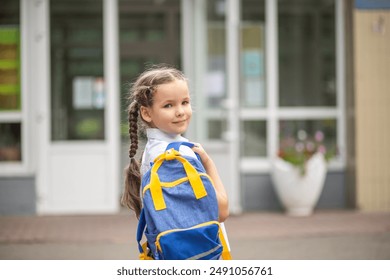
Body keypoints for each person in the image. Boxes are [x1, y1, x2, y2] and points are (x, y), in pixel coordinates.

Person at [121, 64, 229, 225]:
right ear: (146, 113)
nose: (180, 111)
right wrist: (208, 162)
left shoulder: (152, 151)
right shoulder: (175, 157)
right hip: (193, 250)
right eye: (168, 105)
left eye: (185, 102)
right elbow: (220, 211)